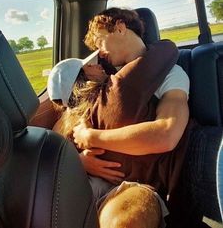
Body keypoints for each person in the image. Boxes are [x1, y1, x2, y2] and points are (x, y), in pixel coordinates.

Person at [72, 8, 223, 227]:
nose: (99, 52)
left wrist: (92, 137)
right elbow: (79, 116)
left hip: (192, 158)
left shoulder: (171, 74)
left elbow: (166, 134)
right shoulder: (109, 81)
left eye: (100, 41)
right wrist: (81, 160)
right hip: (135, 183)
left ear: (120, 27)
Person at [48, 38, 177, 227]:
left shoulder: (70, 122)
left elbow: (53, 158)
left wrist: (80, 157)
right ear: (81, 79)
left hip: (99, 194)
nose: (99, 65)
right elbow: (167, 49)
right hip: (104, 192)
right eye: (91, 65)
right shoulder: (114, 91)